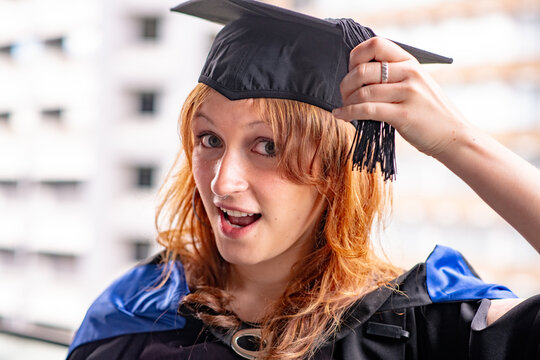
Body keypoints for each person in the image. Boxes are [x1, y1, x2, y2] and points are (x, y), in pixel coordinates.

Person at [66, 0, 540, 359]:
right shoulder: (136, 309)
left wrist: (457, 141)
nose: (222, 183)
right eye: (209, 139)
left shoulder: (427, 327)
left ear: (337, 169)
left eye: (267, 146)